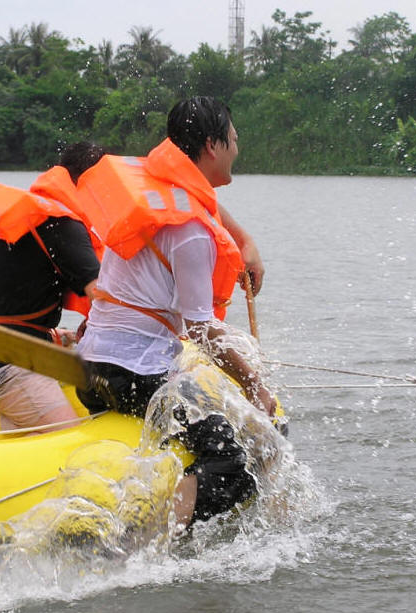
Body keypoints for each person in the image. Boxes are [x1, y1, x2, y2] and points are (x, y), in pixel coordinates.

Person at [75, 97, 276, 527]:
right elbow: (201, 331)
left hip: (92, 370)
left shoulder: (160, 197)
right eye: (234, 140)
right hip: (132, 376)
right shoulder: (190, 233)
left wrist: (245, 243)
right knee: (233, 464)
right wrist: (255, 386)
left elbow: (204, 202)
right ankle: (146, 548)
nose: (238, 149)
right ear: (212, 146)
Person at [0, 143, 104, 432]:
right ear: (93, 184)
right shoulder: (60, 223)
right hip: (6, 364)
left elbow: (14, 299)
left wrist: (53, 336)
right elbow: (104, 297)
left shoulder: (27, 215)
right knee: (74, 442)